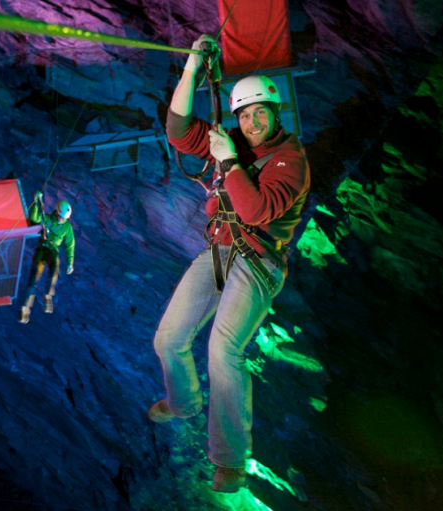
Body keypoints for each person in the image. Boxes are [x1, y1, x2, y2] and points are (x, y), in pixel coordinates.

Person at [148, 34, 311, 492]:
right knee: (168, 338)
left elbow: (257, 211)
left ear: (277, 114)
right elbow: (179, 132)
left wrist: (230, 161)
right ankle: (183, 403)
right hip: (221, 250)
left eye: (261, 112)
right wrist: (191, 68)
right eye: (245, 114)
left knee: (224, 349)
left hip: (259, 262)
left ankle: (231, 458)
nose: (253, 121)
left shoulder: (291, 159)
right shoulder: (233, 140)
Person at [19, 190, 75, 324]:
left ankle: (48, 296)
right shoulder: (48, 219)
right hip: (42, 248)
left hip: (53, 250)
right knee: (34, 277)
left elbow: (69, 245)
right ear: (56, 212)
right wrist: (36, 201)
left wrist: (70, 263)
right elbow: (34, 218)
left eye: (64, 218)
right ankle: (25, 308)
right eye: (61, 216)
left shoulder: (67, 228)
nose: (61, 219)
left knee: (54, 266)